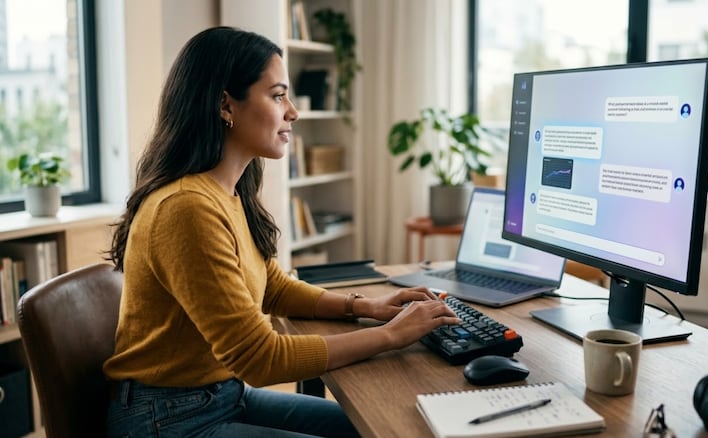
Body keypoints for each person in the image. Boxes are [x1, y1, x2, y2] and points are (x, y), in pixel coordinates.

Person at [104, 26, 460, 438]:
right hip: (167, 419)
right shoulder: (187, 208)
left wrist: (366, 306)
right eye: (277, 95)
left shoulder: (226, 193)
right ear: (226, 105)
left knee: (381, 427)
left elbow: (272, 287)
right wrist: (391, 335)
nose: (293, 110)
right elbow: (259, 358)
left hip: (218, 396)